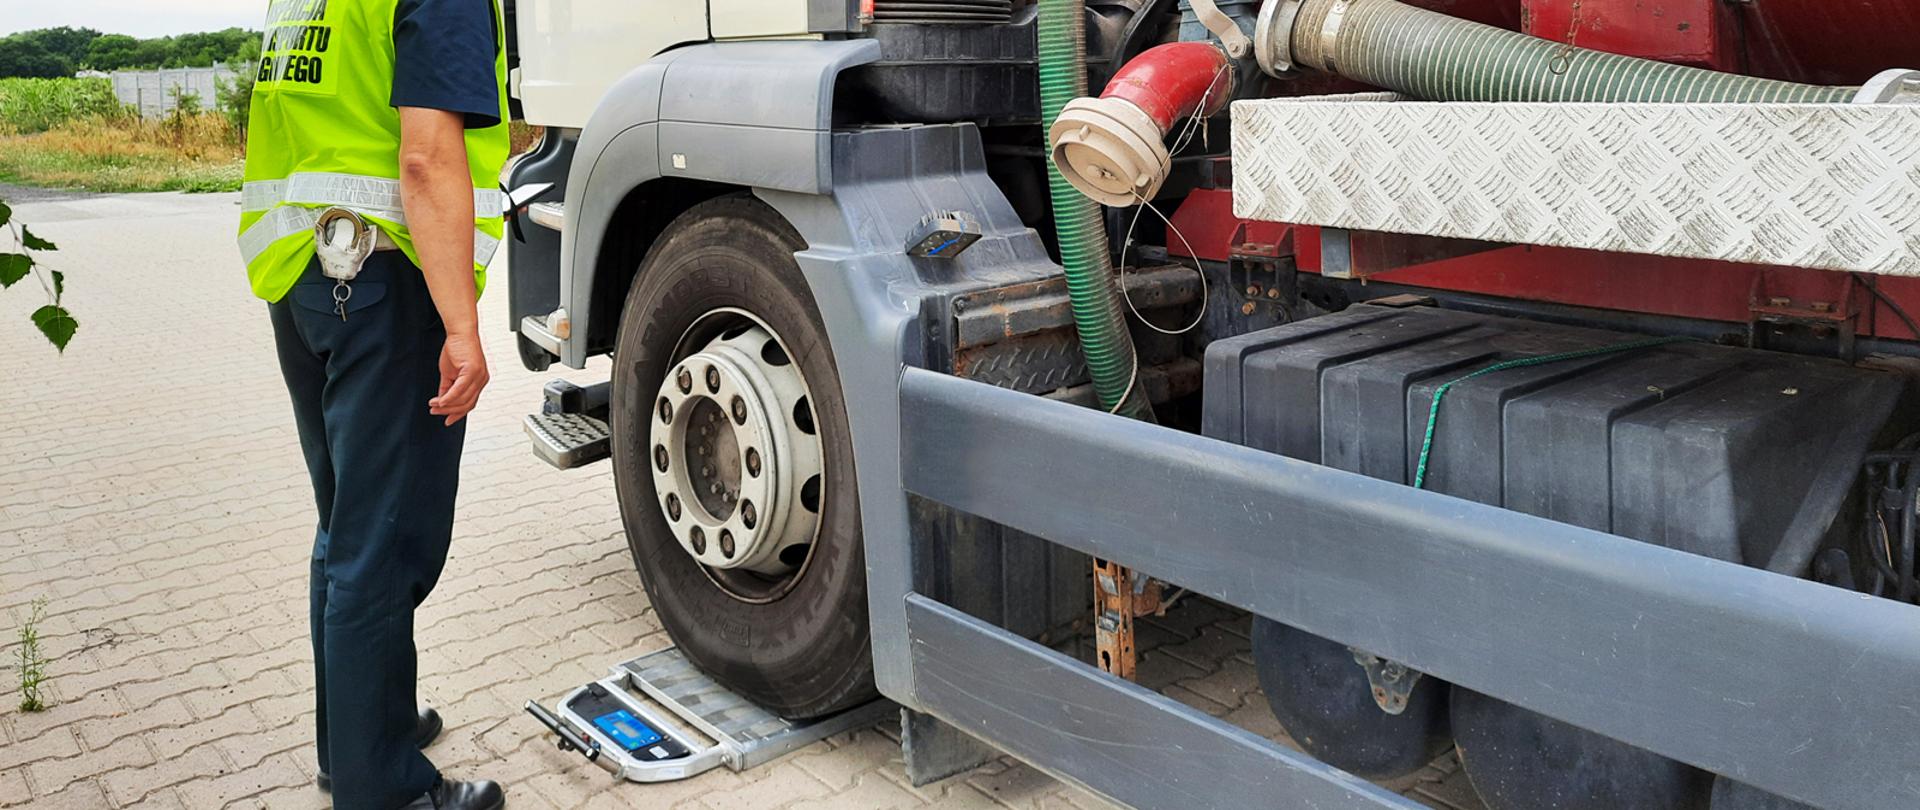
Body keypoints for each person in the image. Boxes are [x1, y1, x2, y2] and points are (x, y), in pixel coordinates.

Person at [236, 0, 510, 806]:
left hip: (306, 281)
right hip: (385, 286)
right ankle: (382, 787)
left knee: (348, 526)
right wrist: (461, 325)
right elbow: (426, 159)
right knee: (383, 545)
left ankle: (359, 731)